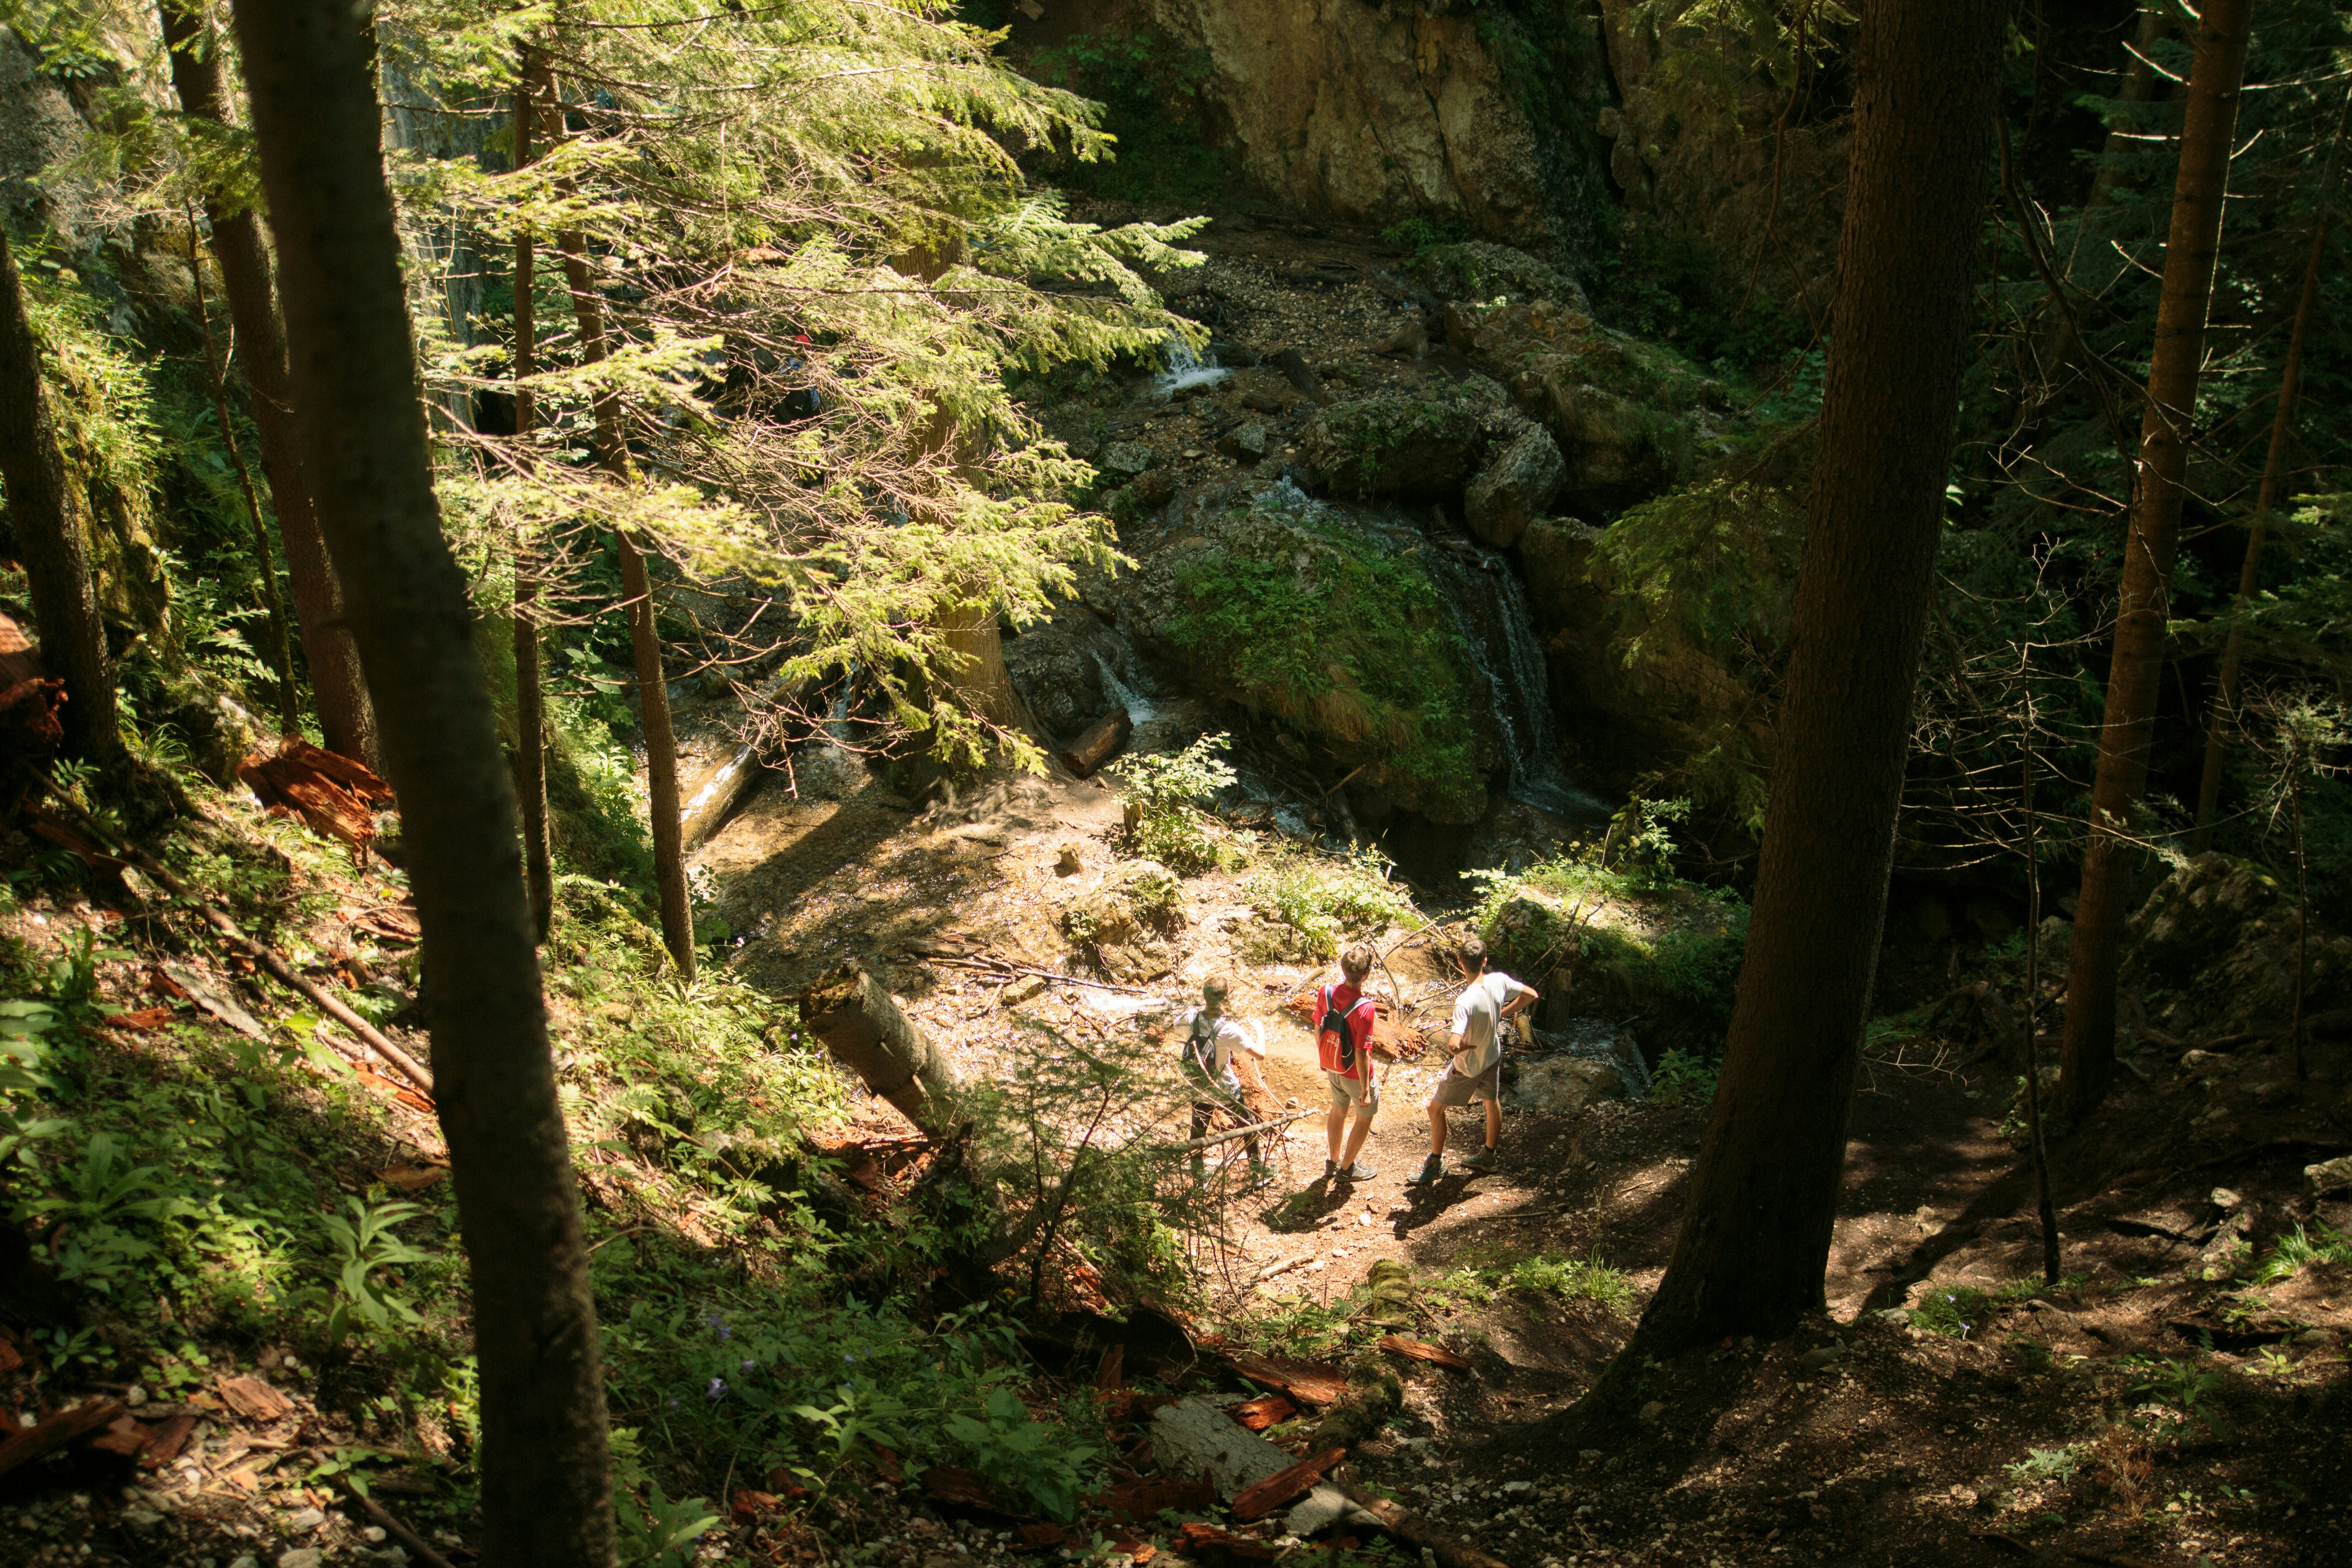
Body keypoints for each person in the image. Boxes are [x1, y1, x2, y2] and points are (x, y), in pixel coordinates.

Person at [1407, 935, 1537, 1186]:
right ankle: (1488, 1156)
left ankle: (1436, 1164)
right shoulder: (1499, 980)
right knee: (1491, 1102)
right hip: (1492, 1055)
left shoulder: (1464, 1002)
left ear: (1460, 962)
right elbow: (1531, 995)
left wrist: (1462, 1044)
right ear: (1485, 961)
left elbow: (1454, 1045)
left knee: (1435, 1109)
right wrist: (1501, 1014)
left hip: (1469, 1067)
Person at [1178, 976, 1272, 1191]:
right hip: (1225, 1089)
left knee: (1197, 1135)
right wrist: (1260, 1031)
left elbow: (1177, 1030)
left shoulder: (1189, 1017)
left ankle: (1199, 1182)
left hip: (1199, 1087)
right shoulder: (1229, 1029)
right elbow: (1261, 1055)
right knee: (1248, 1126)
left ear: (1204, 996)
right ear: (1225, 1000)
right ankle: (1259, 1175)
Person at [1318, 942, 1382, 1183]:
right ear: (1365, 975)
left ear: (1343, 969)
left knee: (1338, 1109)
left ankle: (1333, 1163)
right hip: (1355, 1074)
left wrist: (1324, 1060)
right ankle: (1347, 1169)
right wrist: (1366, 1089)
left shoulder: (1326, 992)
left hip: (1333, 1066)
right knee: (1364, 1117)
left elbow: (1318, 1028)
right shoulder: (1366, 1008)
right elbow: (1362, 1053)